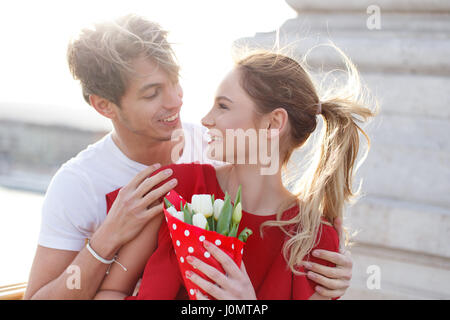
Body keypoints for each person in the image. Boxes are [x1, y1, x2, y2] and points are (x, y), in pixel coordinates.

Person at [24, 14, 353, 300]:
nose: (179, 102)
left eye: (176, 82)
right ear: (104, 106)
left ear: (274, 123)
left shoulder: (314, 237)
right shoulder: (164, 184)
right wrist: (106, 239)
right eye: (153, 93)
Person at [95, 46, 372, 300]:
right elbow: (110, 292)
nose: (206, 119)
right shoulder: (176, 188)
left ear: (273, 123)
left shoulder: (314, 241)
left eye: (223, 106)